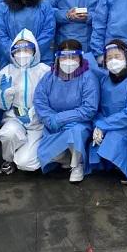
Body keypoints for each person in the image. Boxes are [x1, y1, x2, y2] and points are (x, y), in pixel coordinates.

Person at [33, 39, 99, 182]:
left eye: (73, 57)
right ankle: (66, 158)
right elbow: (40, 101)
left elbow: (89, 108)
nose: (68, 61)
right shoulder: (49, 77)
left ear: (80, 58)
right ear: (57, 58)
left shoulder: (88, 77)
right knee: (44, 156)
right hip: (53, 124)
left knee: (75, 133)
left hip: (78, 123)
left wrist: (61, 118)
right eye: (64, 57)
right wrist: (50, 119)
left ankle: (77, 164)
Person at [88, 39, 127, 185]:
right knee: (92, 144)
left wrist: (104, 125)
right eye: (109, 58)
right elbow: (98, 109)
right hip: (110, 126)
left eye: (118, 56)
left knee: (114, 139)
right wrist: (97, 126)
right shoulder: (105, 80)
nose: (113, 61)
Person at [0, 29, 51, 175]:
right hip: (14, 118)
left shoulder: (45, 71)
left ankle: (28, 149)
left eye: (27, 49)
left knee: (27, 164)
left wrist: (35, 113)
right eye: (18, 50)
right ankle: (9, 159)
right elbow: (1, 106)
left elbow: (52, 99)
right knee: (8, 133)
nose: (22, 53)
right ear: (12, 52)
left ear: (34, 50)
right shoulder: (5, 72)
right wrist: (4, 95)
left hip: (38, 122)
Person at [0, 0, 55, 66]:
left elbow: (48, 32)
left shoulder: (45, 7)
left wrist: (33, 52)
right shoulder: (2, 8)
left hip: (41, 60)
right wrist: (15, 53)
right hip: (11, 60)